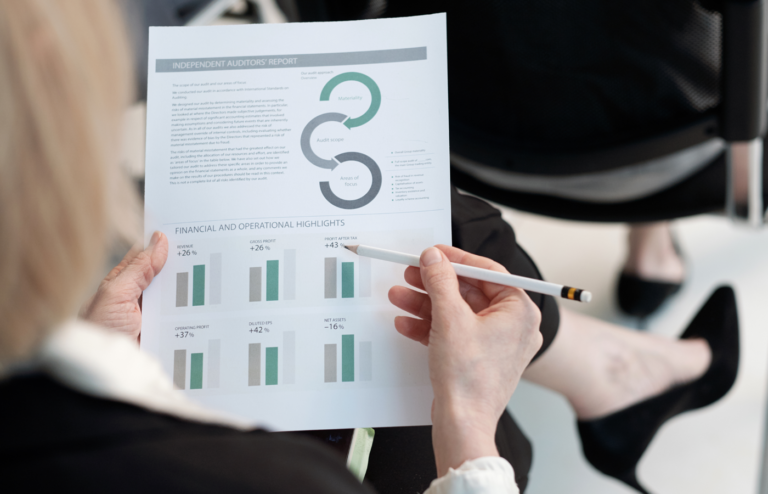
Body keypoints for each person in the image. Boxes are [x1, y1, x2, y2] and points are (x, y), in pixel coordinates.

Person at [0, 2, 738, 494]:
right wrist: (469, 433)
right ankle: (619, 374)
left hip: (510, 132)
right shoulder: (252, 476)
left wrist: (98, 366)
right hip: (651, 138)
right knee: (457, 240)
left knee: (446, 230)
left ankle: (615, 377)